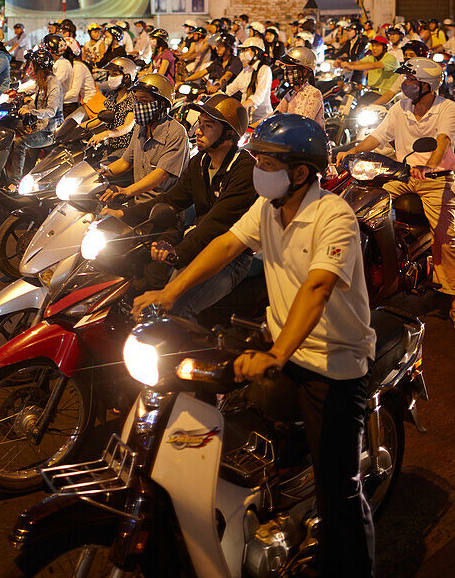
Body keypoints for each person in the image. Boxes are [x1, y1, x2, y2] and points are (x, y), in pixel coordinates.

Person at [135, 114, 376, 578]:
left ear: (300, 172)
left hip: (333, 362)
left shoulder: (333, 215)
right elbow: (227, 245)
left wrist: (277, 355)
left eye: (267, 161)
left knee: (340, 490)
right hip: (279, 342)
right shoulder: (268, 207)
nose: (258, 168)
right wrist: (170, 293)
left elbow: (318, 287)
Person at [337, 57, 455, 337]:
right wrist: (351, 152)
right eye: (405, 80)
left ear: (426, 85)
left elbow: (443, 141)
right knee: (363, 206)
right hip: (403, 175)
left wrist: (430, 165)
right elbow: (378, 137)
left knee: (445, 237)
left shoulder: (448, 108)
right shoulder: (400, 107)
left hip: (436, 179)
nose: (405, 84)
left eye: (410, 80)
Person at [131, 94, 256, 316]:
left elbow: (214, 224)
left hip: (230, 258)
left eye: (208, 126)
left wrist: (177, 254)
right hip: (198, 245)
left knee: (176, 306)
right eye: (200, 124)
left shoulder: (244, 170)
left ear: (229, 134)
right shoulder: (200, 162)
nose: (198, 130)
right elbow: (171, 199)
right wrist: (123, 214)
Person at [100, 72, 189, 205]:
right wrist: (99, 174)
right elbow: (125, 162)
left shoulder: (176, 133)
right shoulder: (140, 128)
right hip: (138, 201)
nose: (138, 105)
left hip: (161, 207)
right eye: (136, 100)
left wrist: (126, 191)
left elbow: (161, 174)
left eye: (144, 101)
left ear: (162, 105)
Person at [9, 48, 64, 184]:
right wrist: (24, 107)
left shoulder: (53, 84)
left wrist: (31, 112)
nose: (30, 67)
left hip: (50, 132)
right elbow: (36, 104)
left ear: (39, 66)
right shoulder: (41, 82)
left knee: (20, 143)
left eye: (32, 64)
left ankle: (14, 183)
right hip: (39, 128)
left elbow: (51, 111)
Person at [83, 56, 137, 152]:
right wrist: (76, 127)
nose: (111, 78)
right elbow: (98, 119)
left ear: (127, 77)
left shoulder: (134, 98)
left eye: (115, 74)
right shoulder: (112, 95)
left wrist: (106, 134)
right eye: (110, 74)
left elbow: (127, 126)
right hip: (109, 146)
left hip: (125, 150)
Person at [226, 36, 273, 124]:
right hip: (246, 118)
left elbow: (258, 97)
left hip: (262, 120)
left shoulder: (264, 70)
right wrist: (214, 97)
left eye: (245, 50)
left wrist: (239, 107)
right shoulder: (246, 70)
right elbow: (231, 88)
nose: (242, 53)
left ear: (255, 51)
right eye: (242, 51)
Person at [336, 34, 401, 97]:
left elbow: (374, 65)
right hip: (372, 93)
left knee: (361, 106)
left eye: (377, 46)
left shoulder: (391, 58)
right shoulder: (371, 58)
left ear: (384, 47)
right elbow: (357, 63)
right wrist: (342, 64)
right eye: (373, 46)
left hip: (386, 94)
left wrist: (351, 67)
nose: (374, 48)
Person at [276, 46, 325, 127]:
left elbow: (304, 123)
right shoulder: (291, 93)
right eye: (286, 68)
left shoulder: (314, 93)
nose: (287, 72)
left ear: (305, 71)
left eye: (290, 69)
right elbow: (275, 113)